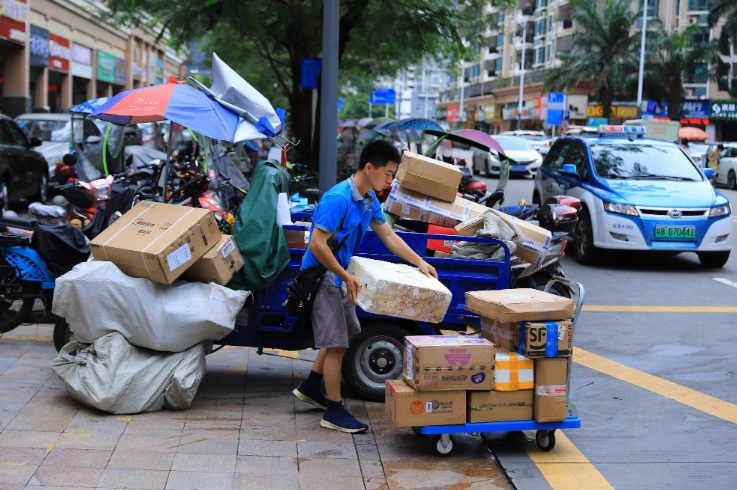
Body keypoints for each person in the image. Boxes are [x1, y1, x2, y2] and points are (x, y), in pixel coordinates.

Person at [292, 139, 437, 433]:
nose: (390, 180)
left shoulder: (369, 199)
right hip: (323, 276)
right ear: (369, 167)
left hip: (342, 275)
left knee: (346, 332)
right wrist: (344, 277)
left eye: (393, 174)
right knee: (336, 344)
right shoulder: (339, 199)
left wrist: (419, 262)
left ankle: (311, 386)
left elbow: (389, 237)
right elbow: (317, 245)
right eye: (388, 173)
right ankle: (333, 411)